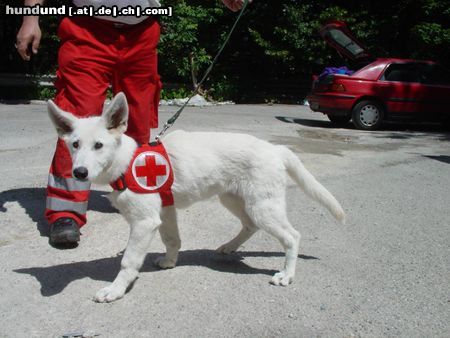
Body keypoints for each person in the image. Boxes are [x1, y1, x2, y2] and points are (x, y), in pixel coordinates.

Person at [16, 0, 248, 246]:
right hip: (86, 28)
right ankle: (65, 213)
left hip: (142, 31)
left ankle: (134, 193)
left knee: (137, 122)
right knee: (79, 121)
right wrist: (31, 18)